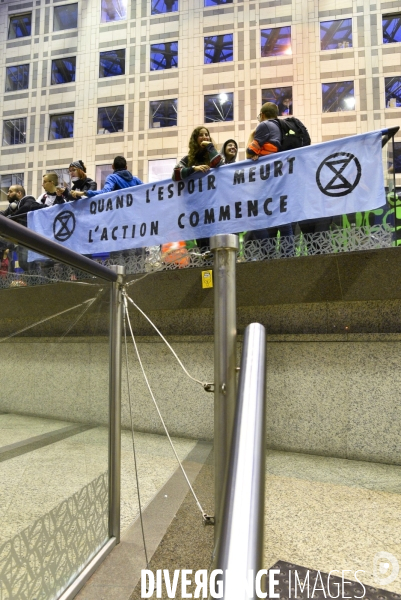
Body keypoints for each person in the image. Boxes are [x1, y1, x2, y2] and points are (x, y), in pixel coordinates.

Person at [245, 103, 293, 255]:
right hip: (280, 177)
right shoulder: (280, 126)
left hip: (267, 179)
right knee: (281, 215)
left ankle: (269, 253)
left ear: (262, 114)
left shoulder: (264, 125)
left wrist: (252, 135)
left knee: (254, 217)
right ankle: (287, 254)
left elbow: (249, 153)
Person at [173, 126, 223, 250]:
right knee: (203, 244)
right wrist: (193, 168)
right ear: (195, 139)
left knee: (215, 242)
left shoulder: (212, 154)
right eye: (201, 135)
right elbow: (176, 174)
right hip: (196, 208)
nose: (205, 137)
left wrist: (210, 147)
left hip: (213, 206)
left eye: (207, 134)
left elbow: (219, 164)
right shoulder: (188, 159)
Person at [0, 185, 43, 271]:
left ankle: (38, 280)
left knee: (28, 263)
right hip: (18, 239)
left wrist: (11, 217)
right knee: (23, 263)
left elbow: (26, 207)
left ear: (19, 193)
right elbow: (3, 215)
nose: (8, 194)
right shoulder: (12, 206)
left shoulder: (28, 199)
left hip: (28, 237)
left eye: (10, 191)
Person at [74, 156, 142, 198]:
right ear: (126, 167)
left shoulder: (112, 178)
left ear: (112, 166)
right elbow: (147, 190)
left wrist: (85, 193)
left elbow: (105, 192)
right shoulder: (136, 180)